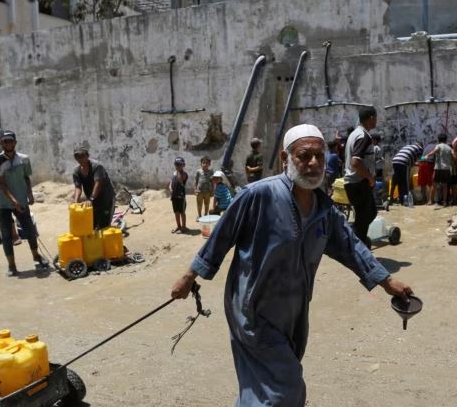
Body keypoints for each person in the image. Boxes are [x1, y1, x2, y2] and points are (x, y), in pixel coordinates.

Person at [170, 123, 414, 407]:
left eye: (319, 156)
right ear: (286, 159)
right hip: (253, 310)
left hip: (294, 314)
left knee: (264, 386)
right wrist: (188, 277)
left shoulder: (324, 210)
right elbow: (220, 237)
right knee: (286, 388)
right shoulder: (257, 196)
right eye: (304, 156)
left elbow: (352, 247)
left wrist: (387, 282)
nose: (313, 163)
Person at [0, 130, 47, 277]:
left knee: (30, 230)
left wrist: (30, 194)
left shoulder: (24, 159)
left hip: (21, 200)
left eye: (10, 141)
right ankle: (12, 265)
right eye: (5, 141)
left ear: (15, 142)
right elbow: (1, 184)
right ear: (1, 143)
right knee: (7, 235)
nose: (8, 143)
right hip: (3, 203)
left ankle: (36, 256)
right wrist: (13, 201)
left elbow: (26, 177)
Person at [343, 107, 378, 247]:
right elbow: (356, 162)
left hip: (353, 183)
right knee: (365, 218)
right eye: (376, 117)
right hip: (359, 183)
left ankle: (355, 238)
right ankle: (356, 243)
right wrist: (370, 178)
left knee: (368, 214)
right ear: (371, 118)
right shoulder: (364, 136)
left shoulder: (354, 134)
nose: (376, 120)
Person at [72, 146, 116, 229]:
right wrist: (76, 201)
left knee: (104, 226)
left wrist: (91, 199)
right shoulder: (76, 171)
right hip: (93, 201)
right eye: (77, 157)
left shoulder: (96, 166)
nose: (80, 159)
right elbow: (78, 187)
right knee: (91, 226)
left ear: (87, 156)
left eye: (82, 156)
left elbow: (98, 183)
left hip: (106, 199)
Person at [425, 133, 454, 206]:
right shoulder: (449, 147)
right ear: (446, 140)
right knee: (445, 186)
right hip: (447, 169)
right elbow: (454, 156)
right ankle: (444, 201)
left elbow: (435, 150)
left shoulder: (438, 146)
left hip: (438, 168)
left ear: (438, 139)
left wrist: (428, 155)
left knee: (434, 185)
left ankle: (430, 201)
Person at [169, 157, 189, 233]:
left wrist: (178, 172)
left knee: (182, 212)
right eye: (176, 164)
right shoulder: (174, 173)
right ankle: (178, 226)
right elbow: (172, 181)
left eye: (179, 165)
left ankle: (183, 227)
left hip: (181, 196)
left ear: (183, 165)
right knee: (176, 212)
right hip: (174, 196)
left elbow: (181, 180)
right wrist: (170, 187)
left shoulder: (184, 174)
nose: (177, 166)